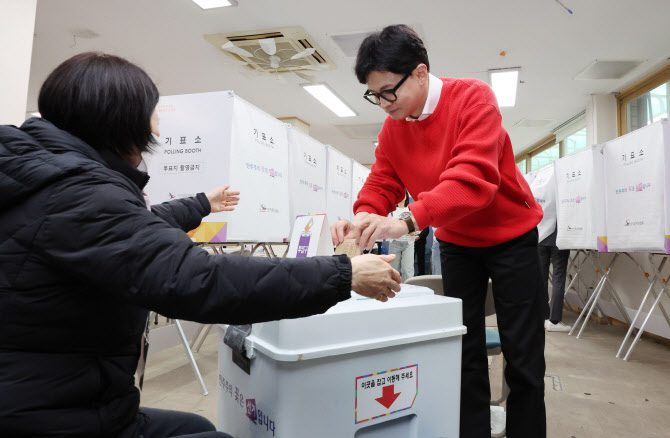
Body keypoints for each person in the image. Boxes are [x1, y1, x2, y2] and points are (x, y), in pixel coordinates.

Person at [0, 52, 402, 438]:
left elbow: (133, 232)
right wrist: (343, 274)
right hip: (50, 415)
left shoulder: (43, 176)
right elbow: (194, 278)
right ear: (121, 120)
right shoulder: (79, 194)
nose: (157, 127)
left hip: (53, 393)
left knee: (200, 428)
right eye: (152, 112)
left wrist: (201, 205)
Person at [331, 25, 548, 438]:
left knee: (523, 355)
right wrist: (363, 217)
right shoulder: (394, 127)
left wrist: (407, 220)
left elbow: (473, 180)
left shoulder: (473, 98)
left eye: (388, 92)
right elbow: (382, 181)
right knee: (461, 351)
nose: (382, 104)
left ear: (420, 73)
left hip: (511, 237)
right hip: (457, 243)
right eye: (373, 95)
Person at [538, 225, 572, 332]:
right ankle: (554, 321)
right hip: (559, 238)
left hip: (541, 238)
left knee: (541, 279)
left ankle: (544, 317)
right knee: (558, 278)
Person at [387, 190, 415, 282]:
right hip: (395, 243)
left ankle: (409, 290)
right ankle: (393, 291)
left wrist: (412, 231)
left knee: (408, 270)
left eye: (404, 194)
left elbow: (415, 228)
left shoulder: (411, 210)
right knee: (393, 269)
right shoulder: (391, 211)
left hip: (408, 243)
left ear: (407, 196)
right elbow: (388, 228)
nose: (402, 196)